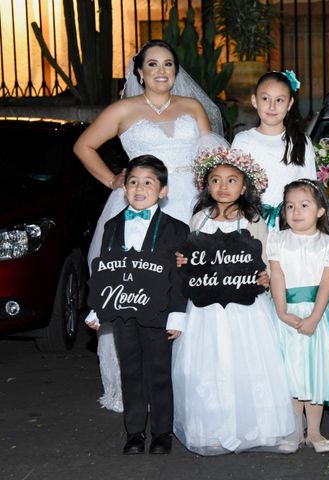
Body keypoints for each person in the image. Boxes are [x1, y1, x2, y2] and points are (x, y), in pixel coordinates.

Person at [74, 39, 226, 413]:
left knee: (192, 293)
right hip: (139, 203)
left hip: (190, 204)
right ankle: (134, 387)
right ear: (139, 71)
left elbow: (211, 159)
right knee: (138, 292)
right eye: (153, 64)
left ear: (177, 71)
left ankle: (193, 384)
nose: (161, 71)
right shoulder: (123, 109)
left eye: (169, 64)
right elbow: (83, 146)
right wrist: (112, 179)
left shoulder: (192, 107)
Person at [172, 147, 299, 455]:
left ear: (244, 187)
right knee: (209, 364)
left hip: (246, 308)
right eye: (216, 180)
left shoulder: (252, 220)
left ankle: (260, 428)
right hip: (207, 310)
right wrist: (182, 261)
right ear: (206, 185)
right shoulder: (199, 219)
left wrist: (265, 275)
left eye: (231, 180)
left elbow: (266, 255)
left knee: (249, 362)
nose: (223, 186)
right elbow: (191, 255)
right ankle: (212, 428)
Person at [85, 155, 189, 455]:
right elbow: (105, 271)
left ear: (163, 190)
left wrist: (177, 315)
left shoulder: (176, 229)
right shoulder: (113, 225)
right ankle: (133, 433)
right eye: (132, 182)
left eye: (148, 183)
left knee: (158, 370)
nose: (139, 189)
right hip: (122, 312)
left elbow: (179, 276)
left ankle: (161, 433)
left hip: (157, 312)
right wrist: (97, 309)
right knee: (130, 370)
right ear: (124, 187)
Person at [266, 179, 329, 453]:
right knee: (291, 371)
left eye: (304, 205)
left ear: (321, 210)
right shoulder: (277, 239)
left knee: (315, 371)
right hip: (285, 313)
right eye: (290, 206)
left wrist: (314, 317)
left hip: (317, 314)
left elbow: (327, 284)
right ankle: (294, 430)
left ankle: (315, 431)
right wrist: (281, 311)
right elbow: (277, 275)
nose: (296, 211)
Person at [231, 70, 316, 230]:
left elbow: (310, 189)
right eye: (265, 99)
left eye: (279, 100)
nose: (272, 106)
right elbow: (235, 186)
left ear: (289, 104)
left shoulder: (301, 142)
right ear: (254, 100)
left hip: (291, 224)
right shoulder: (243, 141)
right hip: (251, 223)